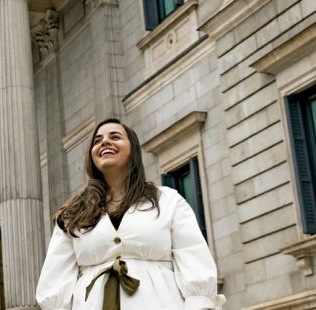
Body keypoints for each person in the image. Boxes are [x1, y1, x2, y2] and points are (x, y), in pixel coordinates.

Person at [36, 119, 225, 310]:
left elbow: (193, 256)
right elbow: (56, 277)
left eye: (115, 137)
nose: (104, 142)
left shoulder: (168, 201)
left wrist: (199, 304)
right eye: (97, 140)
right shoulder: (74, 213)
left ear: (133, 150)